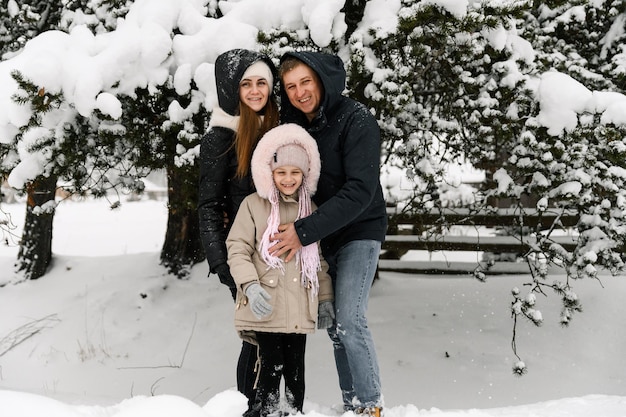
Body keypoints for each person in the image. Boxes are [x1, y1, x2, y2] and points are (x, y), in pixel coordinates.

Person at [270, 51, 388, 417]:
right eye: (290, 86)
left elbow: (359, 191)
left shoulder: (357, 121)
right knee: (335, 325)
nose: (299, 92)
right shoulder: (296, 127)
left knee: (351, 320)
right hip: (324, 236)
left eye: (306, 82)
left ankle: (370, 407)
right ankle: (351, 403)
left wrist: (303, 232)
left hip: (359, 230)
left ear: (321, 80)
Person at [226, 123, 335, 417]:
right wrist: (249, 285)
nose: (288, 179)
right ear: (270, 173)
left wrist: (324, 298)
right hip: (267, 304)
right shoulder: (253, 205)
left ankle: (294, 412)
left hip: (299, 307)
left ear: (305, 175)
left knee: (296, 370)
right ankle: (266, 412)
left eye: (295, 172)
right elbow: (237, 249)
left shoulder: (310, 210)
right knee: (271, 366)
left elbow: (319, 261)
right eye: (281, 172)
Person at [197, 48, 279, 408]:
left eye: (262, 82)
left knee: (283, 338)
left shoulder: (280, 129)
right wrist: (224, 267)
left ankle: (277, 408)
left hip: (282, 252)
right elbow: (209, 207)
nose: (256, 90)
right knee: (257, 336)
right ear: (233, 89)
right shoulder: (222, 136)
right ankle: (250, 407)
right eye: (247, 84)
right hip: (243, 256)